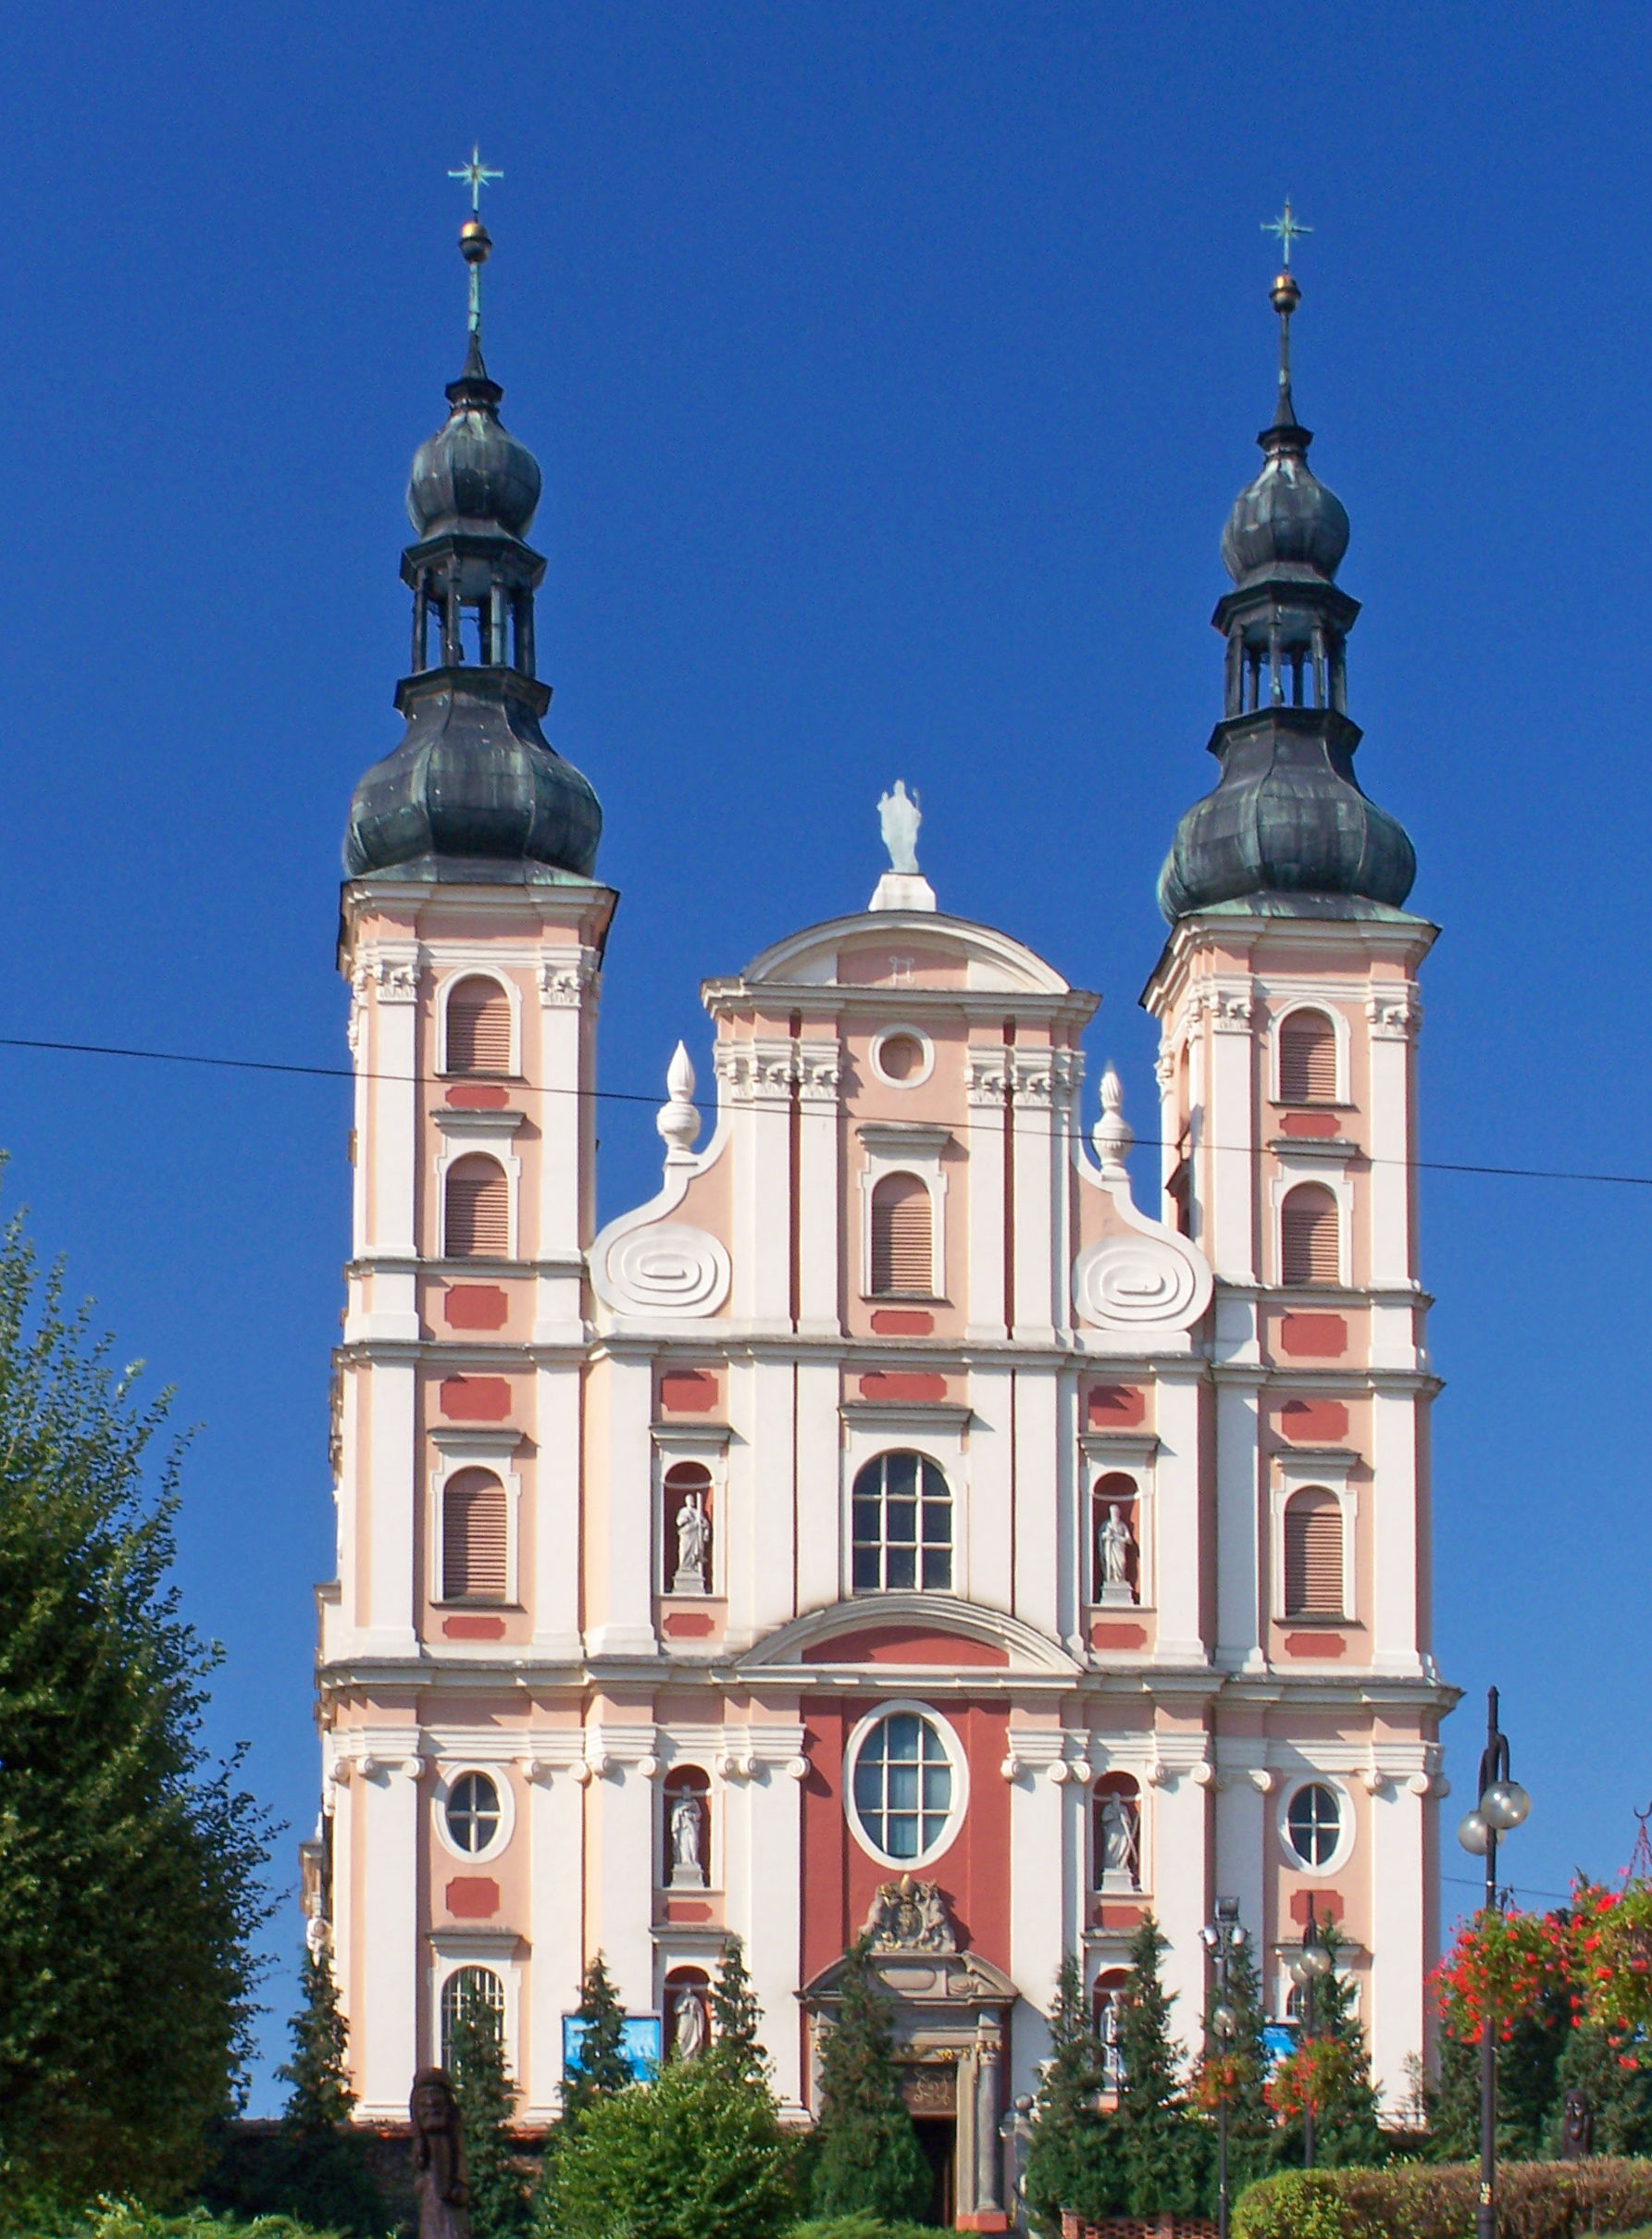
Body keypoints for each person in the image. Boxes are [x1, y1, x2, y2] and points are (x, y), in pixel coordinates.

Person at [411, 2068, 469, 2239]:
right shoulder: (422, 2145)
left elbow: (459, 2157)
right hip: (432, 2203)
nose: (431, 2106)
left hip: (452, 2203)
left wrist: (461, 2183)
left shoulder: (452, 2135)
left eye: (437, 2103)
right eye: (425, 2104)